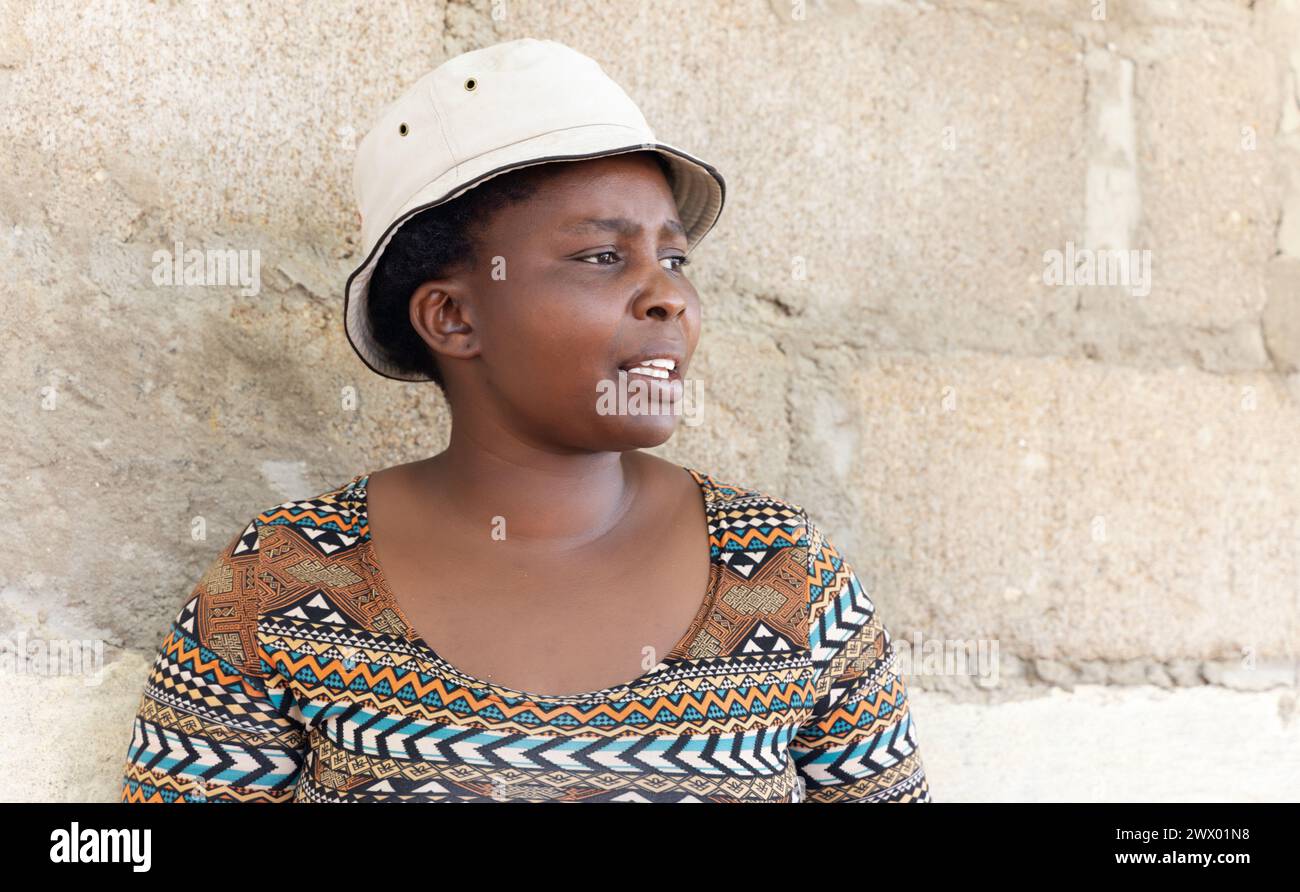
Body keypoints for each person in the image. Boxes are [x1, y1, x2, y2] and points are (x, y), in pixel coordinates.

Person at [118, 38, 931, 803]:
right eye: (603, 257)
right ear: (452, 319)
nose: (670, 297)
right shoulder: (283, 583)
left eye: (675, 259)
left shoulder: (788, 577)